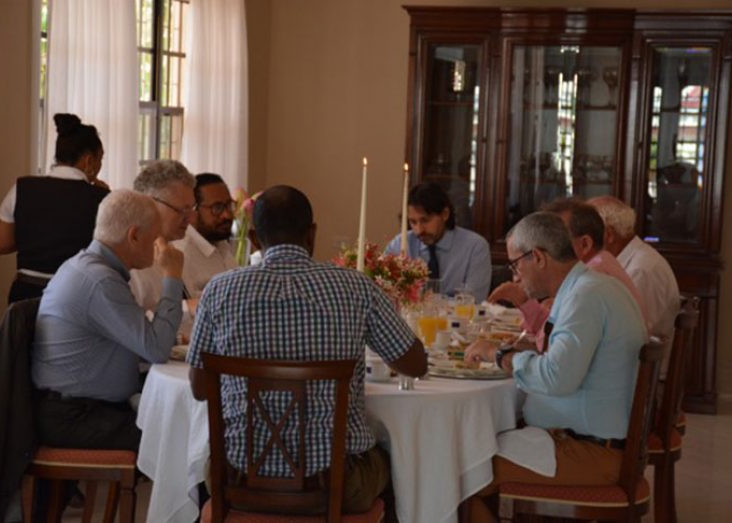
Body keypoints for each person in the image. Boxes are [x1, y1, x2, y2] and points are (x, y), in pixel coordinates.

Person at [187, 185, 427, 513]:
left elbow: (201, 389)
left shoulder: (219, 290)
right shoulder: (354, 286)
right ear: (312, 234)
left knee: (204, 472)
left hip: (237, 476)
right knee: (397, 462)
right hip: (336, 483)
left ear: (255, 239)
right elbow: (415, 364)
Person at [463, 212, 647, 520]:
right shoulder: (588, 287)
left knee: (459, 471)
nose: (515, 276)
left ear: (537, 256)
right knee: (467, 455)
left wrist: (500, 355)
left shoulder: (586, 296)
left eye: (515, 265)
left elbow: (557, 377)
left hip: (591, 451)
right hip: (592, 440)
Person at [31, 190, 184, 451]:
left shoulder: (88, 267)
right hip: (75, 416)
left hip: (79, 407)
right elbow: (156, 349)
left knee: (180, 430)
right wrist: (172, 275)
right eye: (156, 236)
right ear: (134, 235)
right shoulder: (100, 281)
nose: (161, 245)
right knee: (181, 445)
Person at [489, 199, 647, 351]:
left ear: (585, 244)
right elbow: (551, 340)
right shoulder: (593, 270)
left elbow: (556, 368)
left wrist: (502, 357)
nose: (549, 246)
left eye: (558, 238)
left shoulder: (592, 279)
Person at [0, 113, 109, 303]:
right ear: (89, 160)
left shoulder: (22, 187)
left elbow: (2, 244)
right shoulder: (102, 199)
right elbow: (110, 251)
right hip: (74, 296)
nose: (99, 166)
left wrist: (36, 237)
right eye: (100, 159)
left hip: (25, 295)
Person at [588, 195, 680, 341]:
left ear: (608, 235)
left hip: (640, 360)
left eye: (587, 234)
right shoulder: (626, 262)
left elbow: (630, 333)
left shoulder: (641, 270)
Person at [384, 182, 492, 302]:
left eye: (425, 220)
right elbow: (384, 294)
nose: (418, 230)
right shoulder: (400, 245)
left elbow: (474, 301)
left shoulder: (475, 247)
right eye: (413, 222)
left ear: (445, 214)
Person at [130, 159, 197, 309]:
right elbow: (132, 325)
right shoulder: (129, 262)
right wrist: (189, 308)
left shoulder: (177, 251)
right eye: (182, 210)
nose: (190, 218)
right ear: (150, 203)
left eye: (191, 209)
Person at [172, 173, 238, 298]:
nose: (227, 215)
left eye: (229, 205)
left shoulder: (222, 243)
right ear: (192, 210)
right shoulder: (182, 254)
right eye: (217, 208)